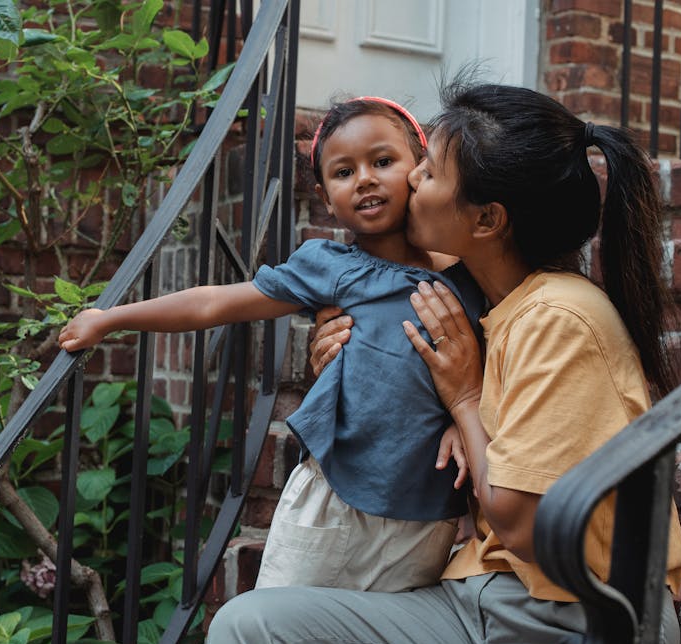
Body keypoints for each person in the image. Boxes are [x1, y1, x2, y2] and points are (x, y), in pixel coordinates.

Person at [190, 81, 681, 644]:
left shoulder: (559, 319)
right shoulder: (477, 301)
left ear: (485, 220)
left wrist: (462, 400)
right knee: (253, 631)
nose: (407, 183)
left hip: (585, 638)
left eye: (425, 171)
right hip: (474, 614)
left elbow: (520, 523)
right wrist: (341, 360)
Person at [60, 96, 486, 593]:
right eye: (344, 172)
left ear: (420, 169)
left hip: (424, 516)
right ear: (327, 199)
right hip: (332, 498)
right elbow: (215, 304)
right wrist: (111, 320)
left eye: (383, 161)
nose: (365, 178)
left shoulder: (469, 276)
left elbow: (496, 365)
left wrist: (466, 424)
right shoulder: (328, 267)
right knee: (276, 630)